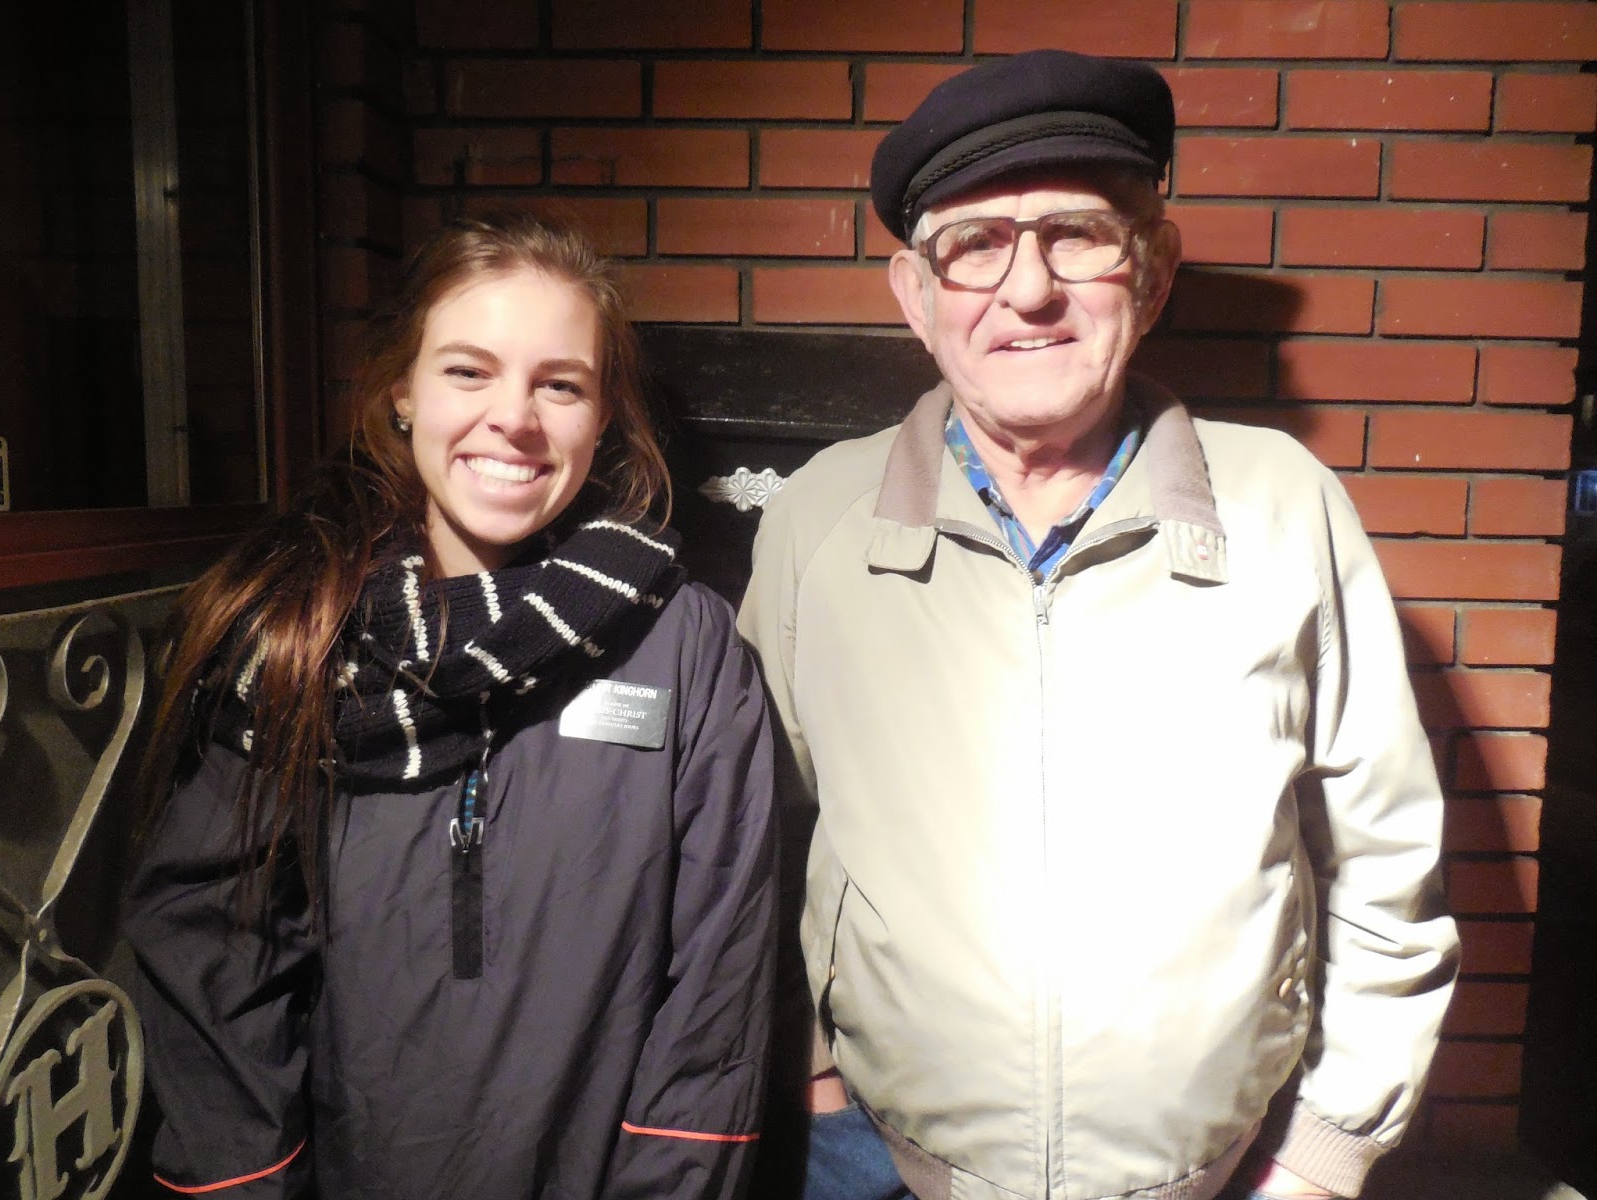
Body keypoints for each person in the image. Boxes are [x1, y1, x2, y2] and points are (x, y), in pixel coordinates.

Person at [738, 49, 1458, 1200]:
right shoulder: (819, 520)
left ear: (1152, 273)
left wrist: (1322, 1160)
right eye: (975, 245)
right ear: (915, 295)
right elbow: (752, 844)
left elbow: (1386, 862)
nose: (1028, 290)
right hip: (878, 1166)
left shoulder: (1284, 508)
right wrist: (812, 1081)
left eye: (1077, 235)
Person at [123, 213, 776, 1200]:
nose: (514, 417)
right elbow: (215, 955)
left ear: (602, 417)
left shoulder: (682, 645)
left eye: (560, 385)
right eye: (469, 371)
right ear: (403, 392)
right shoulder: (297, 633)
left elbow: (719, 982)